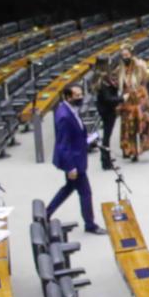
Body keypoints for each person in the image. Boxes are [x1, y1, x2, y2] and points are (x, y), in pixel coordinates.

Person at [46, 84, 104, 234]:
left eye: (81, 94)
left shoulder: (70, 110)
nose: (80, 97)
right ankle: (90, 225)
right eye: (76, 95)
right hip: (74, 161)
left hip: (77, 156)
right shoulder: (64, 116)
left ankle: (46, 213)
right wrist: (71, 167)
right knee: (86, 193)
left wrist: (88, 139)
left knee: (68, 188)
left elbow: (75, 135)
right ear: (68, 97)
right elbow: (63, 144)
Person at [117, 45, 149, 163]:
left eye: (127, 55)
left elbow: (146, 78)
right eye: (123, 55)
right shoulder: (120, 69)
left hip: (141, 100)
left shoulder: (139, 65)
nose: (125, 57)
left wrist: (140, 65)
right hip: (128, 102)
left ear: (132, 54)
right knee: (131, 128)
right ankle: (134, 152)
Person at [92, 55, 121, 171]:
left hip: (105, 109)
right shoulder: (102, 79)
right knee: (106, 137)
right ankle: (105, 162)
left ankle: (107, 158)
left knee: (107, 136)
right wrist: (122, 98)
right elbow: (108, 98)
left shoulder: (99, 76)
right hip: (107, 110)